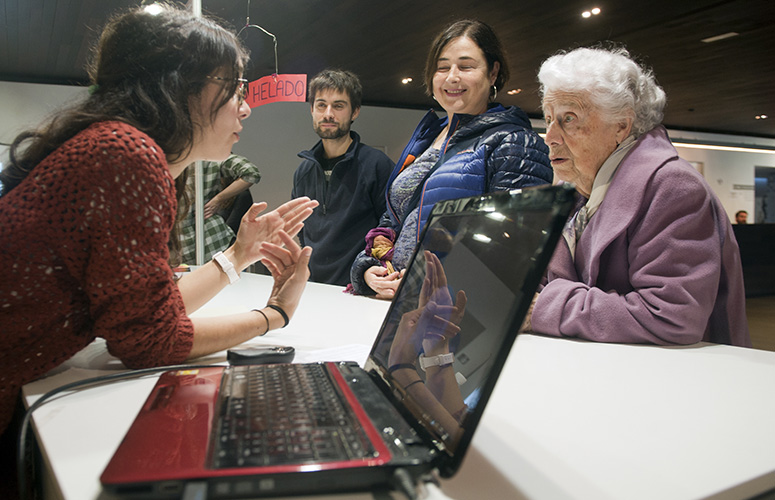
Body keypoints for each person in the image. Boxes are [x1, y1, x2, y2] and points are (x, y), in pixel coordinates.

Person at [0, 5, 318, 489]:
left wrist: (239, 254)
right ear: (179, 86)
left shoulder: (114, 146)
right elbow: (148, 341)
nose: (246, 106)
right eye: (234, 87)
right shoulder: (126, 155)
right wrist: (274, 316)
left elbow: (145, 313)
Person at [521, 46, 750, 347]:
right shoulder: (577, 190)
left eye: (569, 118)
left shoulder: (672, 186)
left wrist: (545, 308)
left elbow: (671, 315)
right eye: (549, 118)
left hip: (673, 372)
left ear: (621, 126)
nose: (550, 136)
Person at [349, 19, 553, 299]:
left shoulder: (514, 142)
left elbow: (513, 251)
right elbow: (392, 220)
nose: (452, 77)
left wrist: (425, 283)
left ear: (493, 72)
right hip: (396, 303)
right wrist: (367, 270)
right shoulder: (427, 138)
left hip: (450, 309)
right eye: (442, 67)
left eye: (466, 67)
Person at [292, 69, 393, 286]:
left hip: (361, 288)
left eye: (338, 106)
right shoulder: (303, 172)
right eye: (321, 105)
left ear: (354, 112)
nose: (328, 114)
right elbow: (302, 231)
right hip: (313, 287)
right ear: (312, 110)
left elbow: (391, 229)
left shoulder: (377, 165)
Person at [180, 153, 261, 264]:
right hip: (212, 241)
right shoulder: (211, 158)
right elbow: (251, 173)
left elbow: (251, 173)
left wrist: (218, 199)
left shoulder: (172, 160)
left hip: (203, 240)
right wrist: (218, 199)